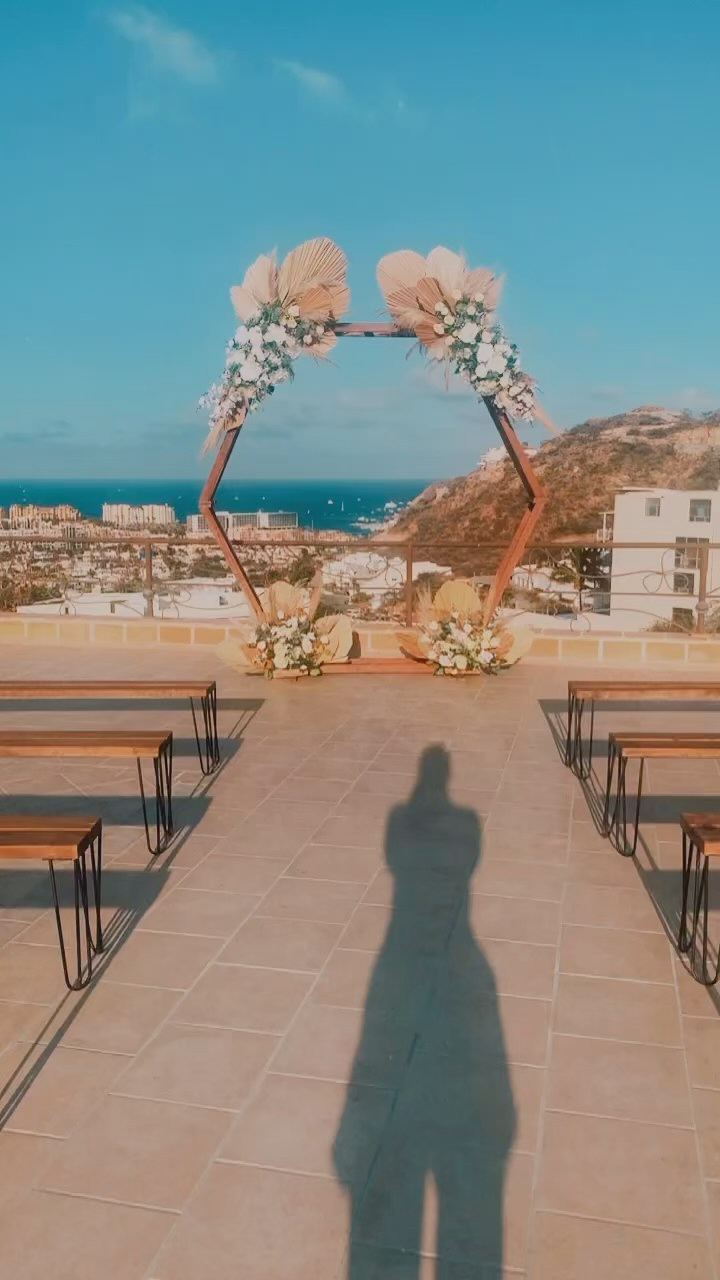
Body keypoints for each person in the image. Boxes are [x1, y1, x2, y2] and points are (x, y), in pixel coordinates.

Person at [334, 744, 515, 1277]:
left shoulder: (400, 819)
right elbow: (465, 859)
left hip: (403, 946)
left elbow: (397, 859)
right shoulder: (463, 822)